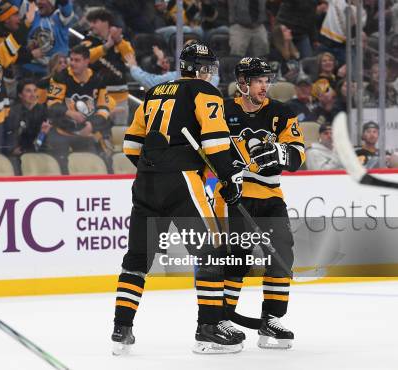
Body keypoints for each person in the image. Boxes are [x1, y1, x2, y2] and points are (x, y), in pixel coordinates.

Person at [112, 42, 246, 355]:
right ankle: (209, 327)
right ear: (202, 69)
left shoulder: (154, 92)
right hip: (182, 180)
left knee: (137, 259)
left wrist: (156, 168)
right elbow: (214, 143)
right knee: (211, 251)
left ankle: (122, 328)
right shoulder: (205, 92)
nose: (210, 74)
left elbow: (131, 146)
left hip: (145, 181)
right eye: (208, 68)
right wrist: (229, 178)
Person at [217, 57, 305, 350]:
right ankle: (222, 318)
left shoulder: (281, 113)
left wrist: (283, 153)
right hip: (237, 196)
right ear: (243, 83)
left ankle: (271, 320)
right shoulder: (223, 111)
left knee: (281, 255)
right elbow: (209, 152)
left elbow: (298, 155)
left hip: (271, 197)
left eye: (267, 80)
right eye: (258, 81)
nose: (264, 86)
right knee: (237, 257)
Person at [46, 45, 113, 173]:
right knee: (61, 170)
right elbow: (51, 104)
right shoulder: (60, 77)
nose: (72, 63)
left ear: (87, 61)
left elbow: (104, 108)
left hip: (85, 132)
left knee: (90, 167)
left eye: (77, 60)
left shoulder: (98, 79)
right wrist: (69, 112)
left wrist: (91, 125)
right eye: (71, 59)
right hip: (62, 133)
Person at [83, 8, 135, 126]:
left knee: (119, 133)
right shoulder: (88, 40)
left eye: (94, 22)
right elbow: (85, 57)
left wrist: (119, 41)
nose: (91, 26)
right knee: (98, 131)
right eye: (90, 22)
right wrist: (106, 46)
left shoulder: (120, 41)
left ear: (105, 22)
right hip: (97, 96)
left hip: (119, 95)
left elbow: (130, 57)